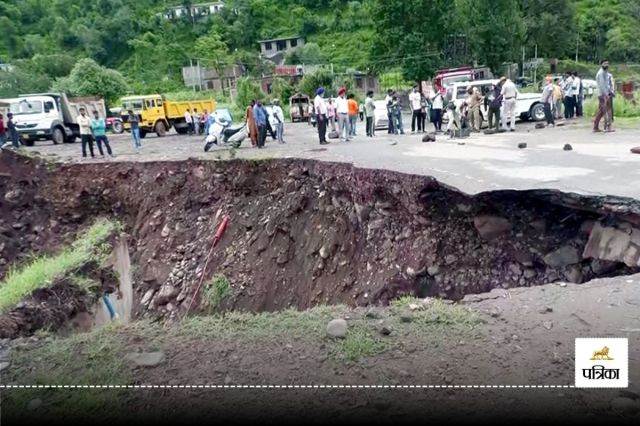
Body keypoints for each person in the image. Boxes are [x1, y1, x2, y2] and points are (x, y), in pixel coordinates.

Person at [593, 59, 614, 133]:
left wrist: (610, 92)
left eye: (607, 63)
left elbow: (607, 84)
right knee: (605, 111)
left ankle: (597, 127)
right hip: (602, 95)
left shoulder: (605, 72)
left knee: (602, 111)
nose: (606, 65)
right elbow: (602, 85)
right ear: (601, 64)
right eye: (605, 63)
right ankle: (607, 127)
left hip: (605, 94)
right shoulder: (601, 73)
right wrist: (606, 95)